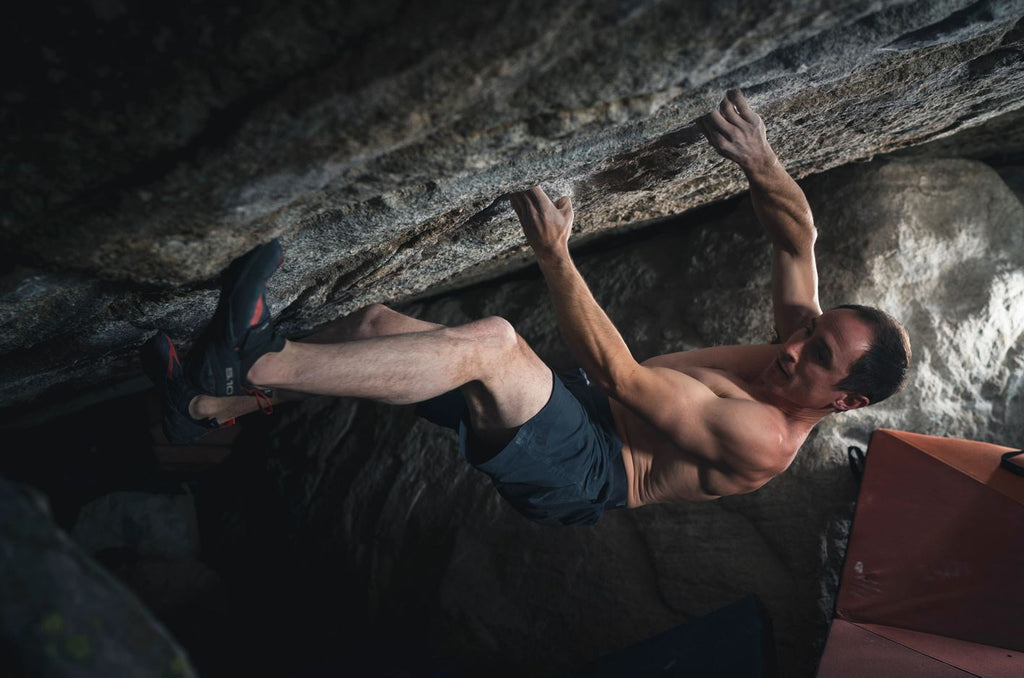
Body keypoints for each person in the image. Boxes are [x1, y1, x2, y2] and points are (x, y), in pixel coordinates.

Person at [142, 89, 911, 526]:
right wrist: (761, 158)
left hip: (589, 469)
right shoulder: (799, 349)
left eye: (817, 355)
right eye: (811, 328)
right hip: (578, 409)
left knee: (497, 345)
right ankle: (207, 406)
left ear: (843, 398)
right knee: (373, 325)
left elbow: (617, 373)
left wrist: (553, 253)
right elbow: (795, 239)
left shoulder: (762, 437)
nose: (795, 341)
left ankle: (256, 355)